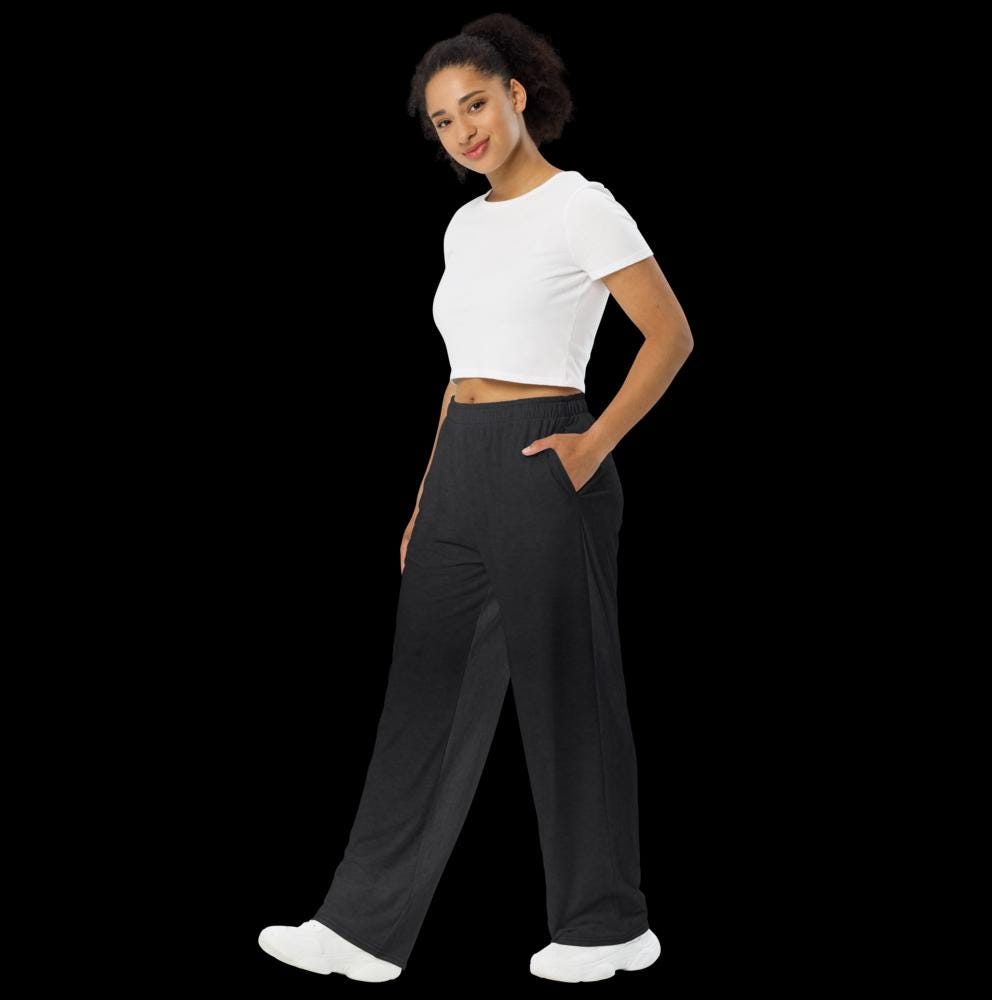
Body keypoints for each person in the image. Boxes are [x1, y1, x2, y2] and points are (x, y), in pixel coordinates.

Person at [258, 12, 693, 983]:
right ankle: (360, 929)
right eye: (444, 121)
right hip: (460, 461)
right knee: (422, 691)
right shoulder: (465, 224)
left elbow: (670, 335)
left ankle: (606, 927)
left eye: (476, 106)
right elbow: (460, 374)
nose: (463, 131)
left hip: (549, 450)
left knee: (566, 689)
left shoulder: (581, 205)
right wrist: (426, 495)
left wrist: (591, 446)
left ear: (516, 96)